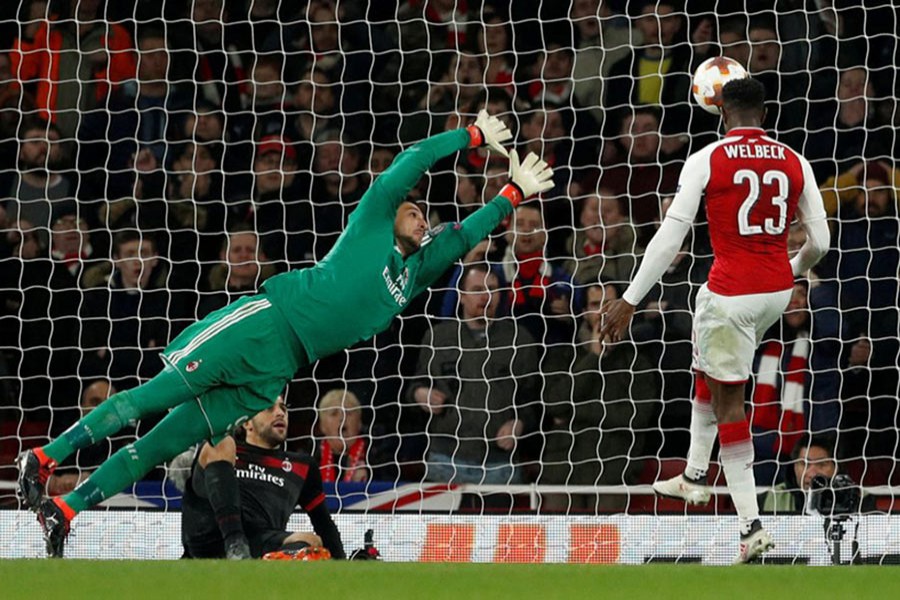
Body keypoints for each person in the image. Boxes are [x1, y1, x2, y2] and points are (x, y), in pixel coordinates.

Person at [18, 110, 552, 558]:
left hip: (278, 368)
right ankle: (42, 460)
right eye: (413, 212)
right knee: (146, 400)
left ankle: (65, 511)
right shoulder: (370, 224)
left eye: (423, 218)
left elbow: (459, 240)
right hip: (261, 325)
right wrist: (472, 137)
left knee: (164, 442)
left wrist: (510, 195)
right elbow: (409, 163)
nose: (420, 219)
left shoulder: (410, 279)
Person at [600, 78, 830, 563]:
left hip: (732, 296)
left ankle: (751, 526)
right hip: (774, 292)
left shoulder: (706, 159)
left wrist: (630, 299)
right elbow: (821, 243)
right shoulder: (795, 161)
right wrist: (788, 271)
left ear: (720, 109)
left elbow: (669, 238)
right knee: (707, 359)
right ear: (764, 114)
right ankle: (695, 475)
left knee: (729, 403)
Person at [181, 396, 345, 559]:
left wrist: (344, 566)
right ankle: (235, 543)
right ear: (247, 422)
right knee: (221, 441)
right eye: (269, 408)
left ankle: (262, 566)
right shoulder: (227, 449)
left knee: (311, 541)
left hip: (259, 542)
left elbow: (324, 524)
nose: (280, 413)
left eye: (283, 408)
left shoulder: (302, 466)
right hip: (211, 537)